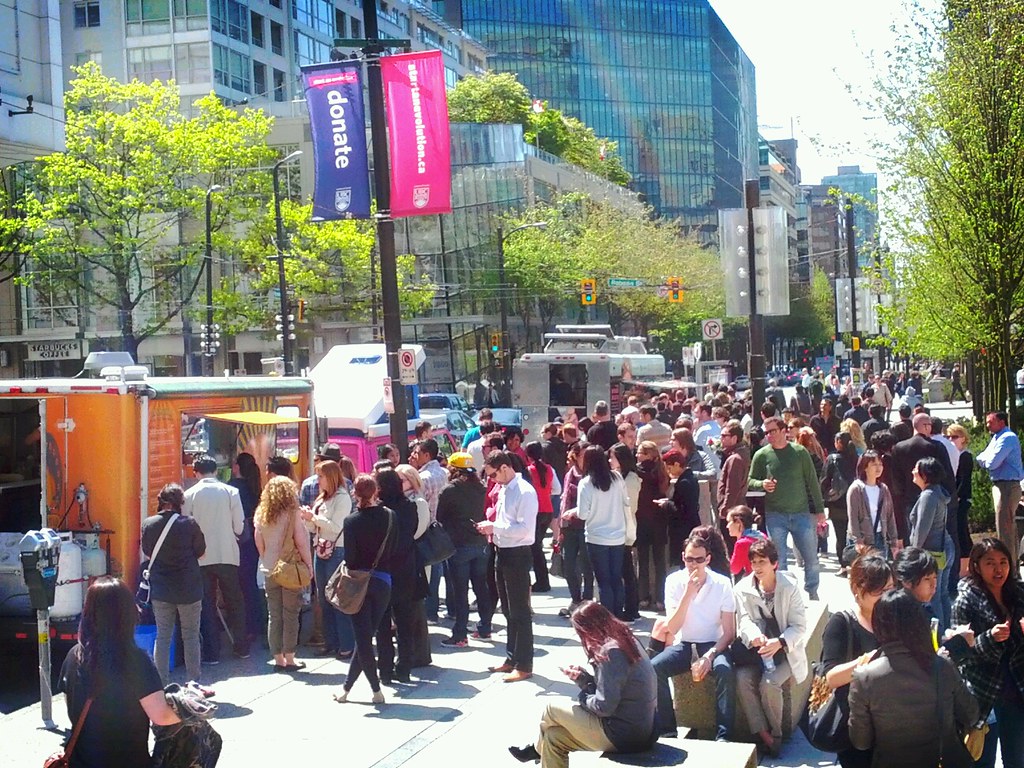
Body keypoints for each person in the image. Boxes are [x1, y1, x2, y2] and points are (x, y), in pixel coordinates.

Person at [508, 601, 657, 768]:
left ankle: (536, 750)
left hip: (624, 734)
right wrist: (585, 680)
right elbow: (614, 689)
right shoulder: (624, 638)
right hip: (639, 728)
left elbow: (604, 707)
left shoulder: (611, 652)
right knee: (553, 737)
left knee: (551, 709)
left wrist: (584, 695)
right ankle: (540, 748)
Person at [59, 578, 181, 768]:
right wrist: (191, 710)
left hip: (80, 762)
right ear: (127, 614)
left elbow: (72, 708)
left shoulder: (73, 656)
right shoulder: (135, 661)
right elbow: (161, 716)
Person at [848, 589, 978, 768]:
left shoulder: (864, 677)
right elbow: (971, 715)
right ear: (919, 622)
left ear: (878, 625)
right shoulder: (942, 666)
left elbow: (861, 741)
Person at [647, 531, 736, 740]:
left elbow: (729, 633)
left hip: (713, 644)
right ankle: (668, 730)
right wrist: (687, 595)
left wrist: (710, 656)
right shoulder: (674, 581)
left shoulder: (722, 583)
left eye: (698, 560)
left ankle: (724, 735)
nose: (693, 564)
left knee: (725, 671)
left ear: (707, 559)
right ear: (683, 558)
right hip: (685, 644)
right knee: (654, 668)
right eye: (689, 559)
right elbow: (674, 627)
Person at [951, 538, 1024, 768]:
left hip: (1016, 691)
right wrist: (988, 639)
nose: (998, 569)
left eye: (1003, 562)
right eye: (990, 563)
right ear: (976, 566)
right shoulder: (965, 601)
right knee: (983, 760)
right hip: (984, 697)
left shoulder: (1019, 593)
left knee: (1017, 758)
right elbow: (958, 656)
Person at [733, 538, 808, 758]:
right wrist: (755, 637)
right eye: (754, 562)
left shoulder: (790, 587)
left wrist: (780, 642)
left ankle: (776, 735)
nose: (757, 567)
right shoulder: (742, 588)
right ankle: (763, 732)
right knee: (742, 678)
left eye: (762, 562)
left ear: (774, 563)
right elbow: (744, 621)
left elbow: (800, 626)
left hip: (786, 652)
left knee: (770, 683)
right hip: (757, 652)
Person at [821, 554, 893, 768]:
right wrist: (869, 660)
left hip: (892, 723)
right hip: (855, 727)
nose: (886, 596)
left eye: (890, 588)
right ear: (857, 591)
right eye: (878, 591)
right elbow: (831, 677)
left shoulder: (895, 618)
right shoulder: (841, 623)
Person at [747, 416, 826, 601]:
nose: (769, 436)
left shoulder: (800, 452)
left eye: (773, 431)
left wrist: (820, 510)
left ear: (784, 431)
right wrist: (762, 484)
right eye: (766, 433)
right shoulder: (761, 455)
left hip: (801, 513)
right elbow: (750, 481)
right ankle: (783, 595)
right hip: (775, 515)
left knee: (811, 558)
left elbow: (812, 482)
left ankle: (812, 593)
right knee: (778, 560)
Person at [333, 474, 396, 705]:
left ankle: (376, 691)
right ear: (376, 491)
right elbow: (394, 548)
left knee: (363, 638)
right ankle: (346, 689)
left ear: (355, 494)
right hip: (384, 581)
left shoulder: (351, 521)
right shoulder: (390, 516)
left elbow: (350, 559)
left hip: (359, 583)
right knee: (365, 637)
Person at [477, 451, 539, 683]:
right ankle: (512, 658)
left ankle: (525, 664)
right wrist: (493, 528)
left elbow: (525, 530)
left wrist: (494, 528)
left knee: (520, 611)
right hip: (501, 552)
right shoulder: (504, 489)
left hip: (517, 553)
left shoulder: (524, 491)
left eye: (493, 474)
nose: (492, 479)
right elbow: (504, 522)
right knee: (508, 610)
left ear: (504, 467)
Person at [182, 454, 249, 664]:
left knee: (206, 603)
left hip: (200, 557)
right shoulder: (231, 492)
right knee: (234, 600)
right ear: (216, 470)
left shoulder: (189, 494)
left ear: (196, 472)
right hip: (227, 553)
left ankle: (212, 653)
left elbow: (186, 527)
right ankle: (241, 647)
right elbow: (239, 526)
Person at [141, 483, 206, 686]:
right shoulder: (190, 523)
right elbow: (201, 551)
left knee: (163, 637)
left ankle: (160, 683)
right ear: (180, 503)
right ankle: (193, 682)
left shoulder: (149, 524)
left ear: (161, 501)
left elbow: (147, 552)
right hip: (189, 588)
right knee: (190, 636)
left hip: (161, 589)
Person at [254, 475, 313, 672]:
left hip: (270, 569)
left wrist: (267, 559)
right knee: (290, 614)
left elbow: (258, 541)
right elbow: (301, 540)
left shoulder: (261, 513)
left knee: (274, 614)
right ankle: (290, 657)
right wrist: (309, 565)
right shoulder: (292, 513)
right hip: (289, 569)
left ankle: (278, 658)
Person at [437, 452, 494, 647]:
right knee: (481, 587)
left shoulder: (449, 490)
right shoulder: (481, 488)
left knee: (460, 591)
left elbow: (440, 517)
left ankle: (460, 634)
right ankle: (485, 628)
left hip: (459, 545)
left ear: (453, 469)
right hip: (480, 543)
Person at [374, 467, 426, 683]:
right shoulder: (410, 507)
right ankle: (404, 667)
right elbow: (412, 534)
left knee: (383, 624)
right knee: (405, 622)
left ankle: (385, 669)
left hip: (383, 570)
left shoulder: (378, 511)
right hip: (406, 568)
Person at [301, 460, 354, 661]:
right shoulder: (322, 499)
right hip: (320, 550)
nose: (318, 480)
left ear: (330, 476)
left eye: (321, 476)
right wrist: (308, 519)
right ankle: (330, 642)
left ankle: (346, 644)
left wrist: (313, 519)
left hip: (337, 550)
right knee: (323, 600)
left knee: (337, 600)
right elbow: (317, 528)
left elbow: (336, 525)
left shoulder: (342, 498)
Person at [577, 446, 628, 618]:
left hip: (596, 537)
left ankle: (608, 618)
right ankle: (619, 615)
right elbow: (625, 502)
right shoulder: (617, 478)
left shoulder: (585, 484)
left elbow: (582, 513)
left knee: (603, 581)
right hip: (618, 535)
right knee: (616, 578)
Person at [908, 457, 954, 631]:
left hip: (932, 552)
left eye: (916, 469)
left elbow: (921, 529)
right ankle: (947, 630)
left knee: (933, 597)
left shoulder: (928, 496)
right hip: (944, 549)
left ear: (924, 475)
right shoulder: (938, 492)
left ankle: (939, 636)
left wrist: (913, 555)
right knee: (942, 595)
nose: (913, 471)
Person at [976, 411, 1024, 564]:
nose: (987, 425)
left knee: (1005, 530)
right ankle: (1012, 567)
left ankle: (1009, 569)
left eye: (991, 421)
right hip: (1000, 485)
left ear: (1001, 422)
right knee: (1007, 529)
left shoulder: (1007, 438)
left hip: (1007, 487)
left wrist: (987, 460)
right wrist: (987, 459)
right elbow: (980, 457)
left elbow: (991, 463)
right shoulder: (997, 437)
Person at [558, 442, 594, 618]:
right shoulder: (570, 474)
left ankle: (587, 602)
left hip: (587, 525)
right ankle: (575, 598)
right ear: (576, 455)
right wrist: (560, 526)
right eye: (583, 455)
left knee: (587, 566)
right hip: (569, 526)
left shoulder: (592, 476)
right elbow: (564, 499)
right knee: (569, 564)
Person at [230, 452, 263, 643]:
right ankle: (256, 623)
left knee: (241, 585)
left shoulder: (234, 488)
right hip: (253, 538)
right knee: (250, 583)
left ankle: (245, 627)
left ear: (238, 467)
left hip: (239, 540)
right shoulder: (255, 487)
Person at [634, 441, 670, 611]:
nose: (637, 455)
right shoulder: (662, 471)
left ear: (649, 454)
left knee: (643, 561)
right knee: (659, 562)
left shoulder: (638, 472)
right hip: (659, 521)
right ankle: (660, 598)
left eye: (640, 452)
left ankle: (643, 597)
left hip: (642, 520)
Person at [846, 451, 899, 559]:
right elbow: (853, 518)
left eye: (880, 464)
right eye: (874, 464)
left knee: (880, 573)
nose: (878, 468)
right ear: (865, 467)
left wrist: (894, 542)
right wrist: (858, 541)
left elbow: (890, 516)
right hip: (863, 541)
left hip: (880, 538)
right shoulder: (856, 489)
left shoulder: (883, 489)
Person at [609, 443, 641, 622]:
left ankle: (631, 607)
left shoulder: (630, 479)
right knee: (625, 570)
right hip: (617, 528)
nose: (609, 461)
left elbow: (631, 507)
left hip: (625, 529)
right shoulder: (618, 477)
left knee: (627, 571)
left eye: (612, 457)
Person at [822, 433, 859, 565]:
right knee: (856, 535)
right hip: (856, 502)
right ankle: (854, 563)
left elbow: (825, 480)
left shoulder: (832, 459)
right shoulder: (857, 458)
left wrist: (824, 499)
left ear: (838, 442)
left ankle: (843, 565)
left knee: (840, 536)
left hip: (838, 503)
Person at [526, 441, 557, 594]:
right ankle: (543, 580)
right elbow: (556, 488)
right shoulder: (549, 469)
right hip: (547, 510)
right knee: (537, 547)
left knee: (535, 548)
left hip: (536, 511)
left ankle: (543, 581)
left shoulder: (529, 471)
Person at [946, 423, 974, 593]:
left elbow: (963, 481)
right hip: (956, 499)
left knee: (962, 532)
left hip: (961, 499)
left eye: (954, 436)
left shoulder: (965, 456)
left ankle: (965, 569)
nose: (951, 440)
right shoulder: (954, 454)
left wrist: (955, 495)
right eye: (949, 437)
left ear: (963, 438)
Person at [660, 451, 701, 569]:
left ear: (677, 464)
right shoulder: (690, 478)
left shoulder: (684, 482)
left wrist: (667, 504)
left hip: (684, 530)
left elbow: (682, 509)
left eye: (669, 468)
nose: (668, 471)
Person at [717, 420, 751, 546]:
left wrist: (725, 511)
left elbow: (732, 489)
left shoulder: (735, 459)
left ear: (734, 438)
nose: (721, 439)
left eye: (724, 436)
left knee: (731, 547)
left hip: (732, 512)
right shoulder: (739, 454)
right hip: (736, 510)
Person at [726, 505, 766, 578]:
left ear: (739, 522)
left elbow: (734, 569)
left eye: (729, 522)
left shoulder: (742, 543)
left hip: (755, 581)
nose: (727, 526)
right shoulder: (762, 535)